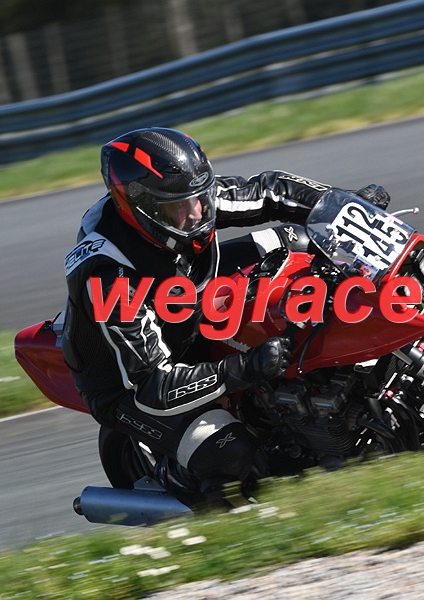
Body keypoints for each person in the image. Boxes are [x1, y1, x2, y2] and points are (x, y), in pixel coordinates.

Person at [61, 127, 390, 500]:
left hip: (187, 304)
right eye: (179, 208)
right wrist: (243, 368)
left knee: (297, 241)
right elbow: (152, 386)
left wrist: (345, 207)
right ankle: (181, 484)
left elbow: (269, 190)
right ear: (142, 207)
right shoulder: (110, 276)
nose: (196, 213)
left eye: (200, 198)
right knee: (230, 453)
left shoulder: (187, 198)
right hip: (129, 385)